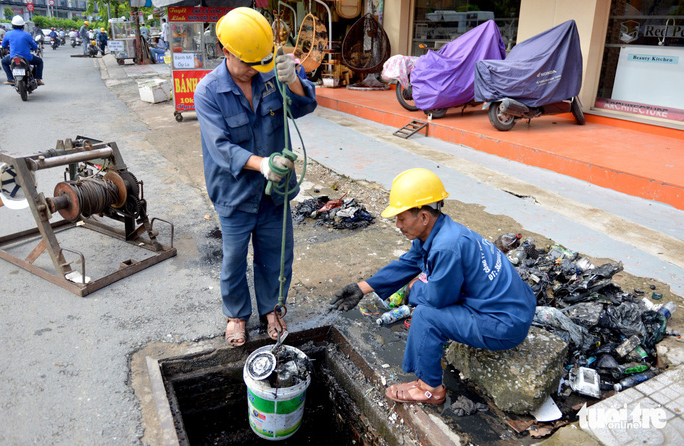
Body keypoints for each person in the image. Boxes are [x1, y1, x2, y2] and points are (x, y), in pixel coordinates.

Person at [330, 168, 537, 405]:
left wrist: (413, 290)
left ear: (424, 217)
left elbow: (438, 300)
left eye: (401, 217)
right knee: (428, 296)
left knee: (427, 315)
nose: (398, 224)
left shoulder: (445, 247)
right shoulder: (441, 231)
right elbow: (408, 263)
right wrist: (361, 288)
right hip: (517, 305)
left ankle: (430, 389)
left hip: (505, 324)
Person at [193, 7, 317, 347]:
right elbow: (220, 147)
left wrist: (292, 78)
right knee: (234, 258)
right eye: (247, 63)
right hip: (234, 192)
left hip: (275, 191)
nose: (254, 70)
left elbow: (305, 106)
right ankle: (236, 314)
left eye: (259, 63)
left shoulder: (269, 72)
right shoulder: (208, 92)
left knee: (276, 253)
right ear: (226, 51)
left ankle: (271, 309)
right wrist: (262, 164)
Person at [1, 15, 44, 86]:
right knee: (39, 61)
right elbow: (35, 46)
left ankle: (10, 79)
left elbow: (3, 45)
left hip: (13, 57)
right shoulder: (27, 35)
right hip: (27, 58)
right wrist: (35, 48)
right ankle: (38, 79)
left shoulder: (8, 34)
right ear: (23, 26)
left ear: (12, 25)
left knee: (3, 62)